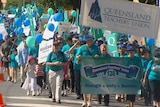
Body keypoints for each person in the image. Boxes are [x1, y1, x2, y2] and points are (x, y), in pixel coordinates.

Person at [76, 35, 101, 107]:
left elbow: (100, 57)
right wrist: (79, 57)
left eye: (91, 40)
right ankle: (84, 101)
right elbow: (77, 57)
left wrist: (98, 57)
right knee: (84, 85)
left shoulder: (96, 48)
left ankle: (90, 101)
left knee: (91, 85)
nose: (91, 41)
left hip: (93, 68)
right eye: (90, 40)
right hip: (84, 69)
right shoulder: (82, 48)